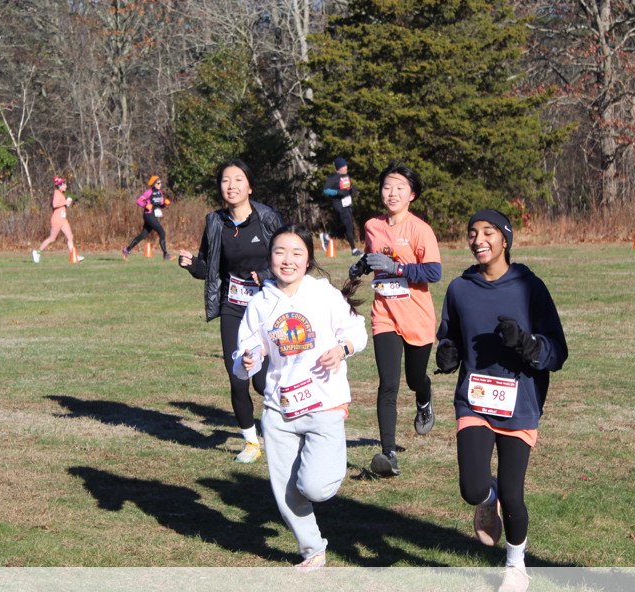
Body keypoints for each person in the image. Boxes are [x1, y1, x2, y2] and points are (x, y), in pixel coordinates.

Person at [435, 209, 568, 592]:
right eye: (472, 233)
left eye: (488, 232)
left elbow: (558, 351)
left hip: (519, 403)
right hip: (474, 402)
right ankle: (485, 498)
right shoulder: (460, 288)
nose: (479, 240)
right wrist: (448, 353)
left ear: (505, 239)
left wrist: (527, 344)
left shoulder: (530, 287)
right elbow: (450, 335)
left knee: (513, 493)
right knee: (473, 487)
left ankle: (516, 567)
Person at [233, 224, 367, 568]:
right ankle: (312, 551)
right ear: (270, 258)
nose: (287, 260)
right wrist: (247, 360)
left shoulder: (324, 295)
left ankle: (328, 468)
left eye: (297, 253)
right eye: (280, 252)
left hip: (324, 402)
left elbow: (356, 332)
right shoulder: (260, 303)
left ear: (308, 260)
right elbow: (245, 352)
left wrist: (342, 349)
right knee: (286, 492)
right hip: (279, 409)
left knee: (315, 487)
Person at [178, 159, 285, 463]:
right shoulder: (215, 222)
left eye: (238, 180)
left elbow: (291, 258)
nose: (232, 186)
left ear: (250, 187)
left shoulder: (268, 218)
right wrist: (191, 265)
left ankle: (286, 427)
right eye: (226, 180)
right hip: (233, 308)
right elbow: (208, 269)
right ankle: (251, 443)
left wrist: (266, 274)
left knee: (262, 382)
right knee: (238, 376)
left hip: (268, 308)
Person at [348, 164, 441, 477]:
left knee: (415, 379)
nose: (392, 193)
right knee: (388, 384)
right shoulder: (372, 225)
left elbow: (434, 272)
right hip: (384, 315)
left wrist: (398, 268)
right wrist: (361, 266)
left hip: (417, 316)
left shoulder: (420, 229)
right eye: (387, 187)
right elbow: (372, 255)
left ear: (412, 195)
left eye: (400, 188)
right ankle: (388, 454)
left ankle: (424, 398)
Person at [123, 175, 174, 261]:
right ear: (154, 184)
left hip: (153, 215)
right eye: (158, 183)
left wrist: (165, 204)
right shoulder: (149, 192)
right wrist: (145, 205)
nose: (160, 184)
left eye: (160, 183)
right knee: (162, 232)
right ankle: (166, 255)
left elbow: (160, 205)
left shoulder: (160, 193)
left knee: (144, 235)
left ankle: (127, 250)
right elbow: (138, 201)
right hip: (148, 215)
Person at [33, 177, 83, 263]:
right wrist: (65, 202)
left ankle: (74, 255)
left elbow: (60, 205)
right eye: (64, 185)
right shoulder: (57, 193)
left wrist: (67, 204)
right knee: (52, 238)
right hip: (57, 219)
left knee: (70, 237)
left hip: (63, 219)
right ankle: (37, 252)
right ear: (60, 186)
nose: (66, 186)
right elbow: (54, 204)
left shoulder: (61, 194)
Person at [322, 157, 361, 256]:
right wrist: (338, 192)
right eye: (344, 166)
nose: (346, 167)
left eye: (346, 165)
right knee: (348, 225)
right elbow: (325, 190)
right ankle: (354, 250)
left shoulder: (346, 176)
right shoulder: (333, 177)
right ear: (339, 168)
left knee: (346, 226)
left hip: (347, 204)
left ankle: (328, 236)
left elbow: (347, 187)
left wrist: (352, 189)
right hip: (339, 204)